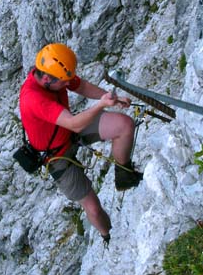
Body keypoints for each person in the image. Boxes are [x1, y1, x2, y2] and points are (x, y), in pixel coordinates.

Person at [19, 43, 143, 244]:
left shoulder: (54, 74)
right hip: (57, 155)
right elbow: (75, 124)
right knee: (92, 208)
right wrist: (102, 104)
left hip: (67, 133)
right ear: (47, 79)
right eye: (64, 82)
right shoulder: (34, 99)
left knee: (124, 125)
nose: (68, 83)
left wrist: (109, 97)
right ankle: (109, 237)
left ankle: (124, 175)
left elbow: (82, 86)